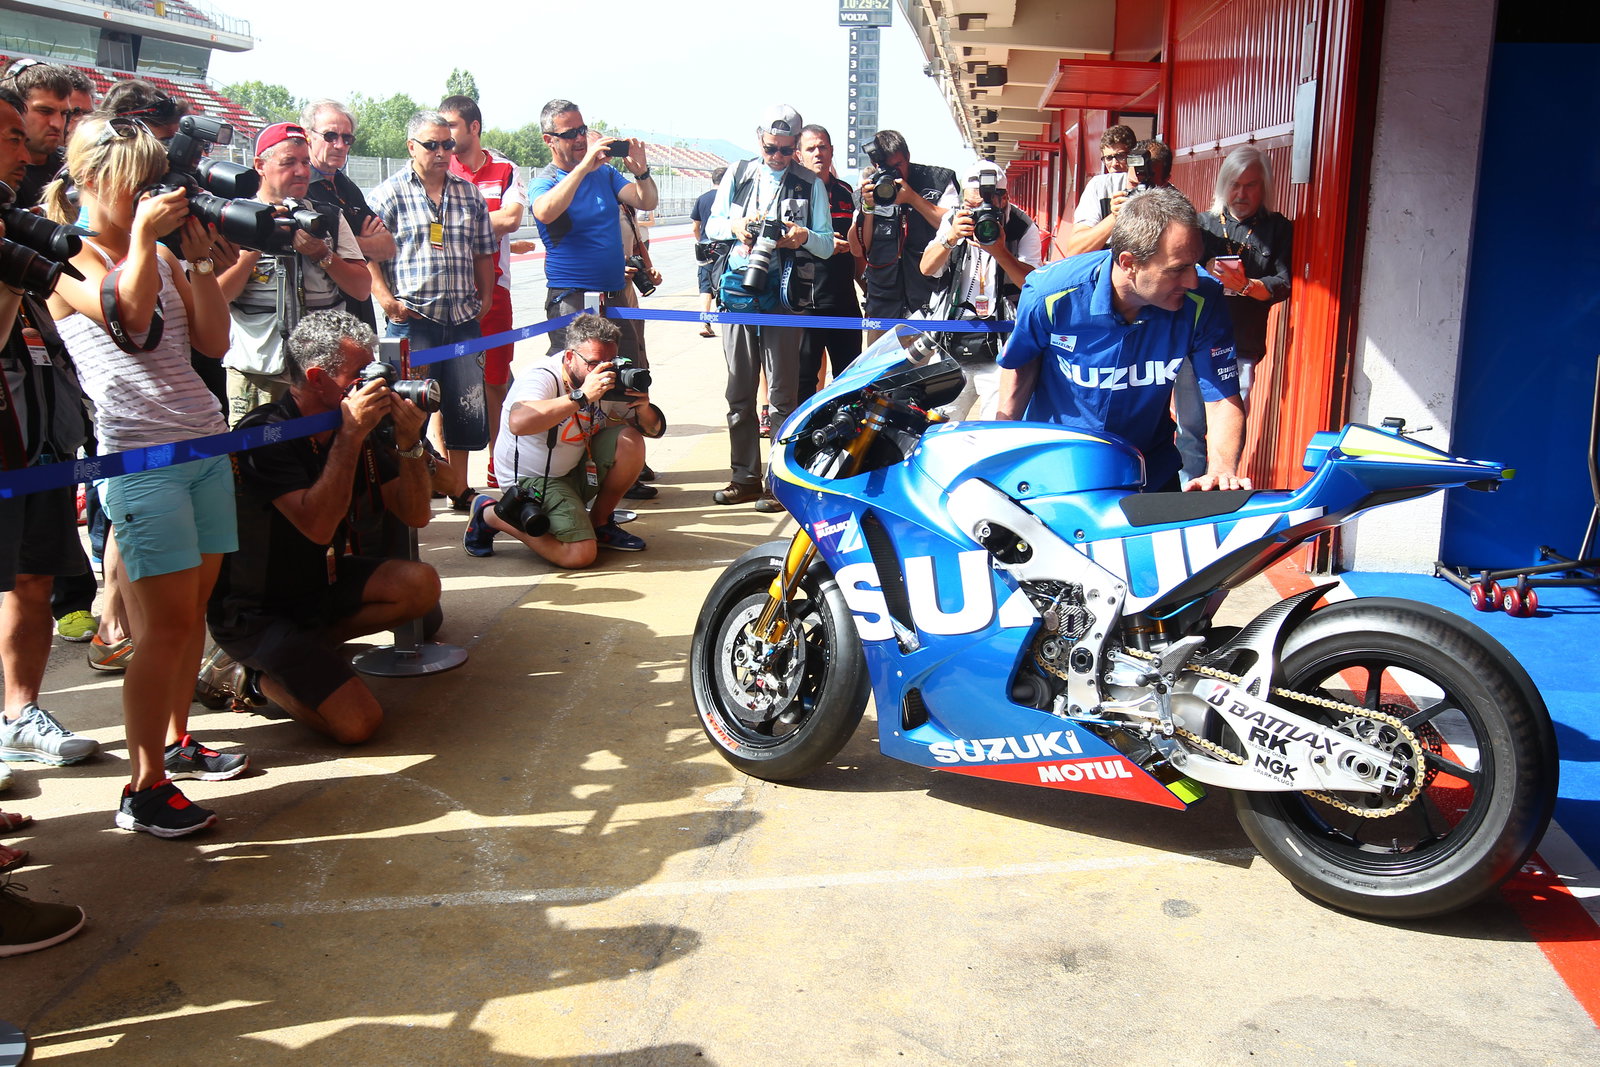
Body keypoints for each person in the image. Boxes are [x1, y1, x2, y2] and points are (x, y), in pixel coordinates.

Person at [43, 114, 247, 837]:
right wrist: (141, 241)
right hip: (140, 460)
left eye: (153, 183)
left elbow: (213, 341)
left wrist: (197, 261)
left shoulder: (155, 251)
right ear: (90, 179)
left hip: (202, 446)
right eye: (136, 183)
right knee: (161, 627)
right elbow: (128, 318)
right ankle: (143, 787)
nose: (148, 196)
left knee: (192, 615)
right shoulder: (65, 255)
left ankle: (177, 740)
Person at [203, 310, 439, 744]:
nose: (373, 384)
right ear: (317, 378)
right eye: (360, 374)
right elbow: (317, 526)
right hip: (258, 608)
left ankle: (306, 653)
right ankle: (248, 677)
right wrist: (350, 438)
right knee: (357, 724)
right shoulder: (266, 433)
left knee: (420, 586)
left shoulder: (354, 421)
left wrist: (409, 443)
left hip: (317, 585)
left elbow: (415, 514)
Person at [996, 187, 1249, 494]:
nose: (1192, 280)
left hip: (1148, 472)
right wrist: (1001, 452)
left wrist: (1221, 469)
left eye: (1194, 263)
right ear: (1129, 263)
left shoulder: (1202, 298)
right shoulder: (1050, 293)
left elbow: (1222, 397)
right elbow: (1020, 364)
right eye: (1178, 269)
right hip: (1057, 471)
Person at [0, 89, 99, 805]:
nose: (29, 144)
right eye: (12, 133)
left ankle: (20, 713)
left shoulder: (24, 214)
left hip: (36, 427)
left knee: (33, 575)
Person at [703, 104, 834, 511]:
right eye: (770, 148)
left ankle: (779, 483)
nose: (776, 156)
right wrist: (737, 226)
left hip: (784, 294)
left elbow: (827, 244)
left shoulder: (810, 184)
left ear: (796, 146)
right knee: (739, 392)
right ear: (759, 139)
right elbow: (712, 225)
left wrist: (801, 236)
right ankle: (743, 478)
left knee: (782, 396)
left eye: (785, 150)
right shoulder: (739, 174)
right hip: (738, 292)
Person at [366, 110, 496, 512]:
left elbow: (483, 251)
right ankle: (417, 485)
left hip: (462, 319)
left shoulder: (469, 194)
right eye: (431, 145)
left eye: (447, 144)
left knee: (465, 406)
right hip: (413, 321)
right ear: (411, 147)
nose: (441, 152)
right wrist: (385, 299)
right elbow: (367, 255)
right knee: (409, 410)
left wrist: (486, 297)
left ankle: (459, 487)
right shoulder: (387, 195)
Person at [464, 313, 662, 565]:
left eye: (610, 362)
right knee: (580, 555)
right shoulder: (541, 376)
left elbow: (653, 430)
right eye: (593, 363)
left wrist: (643, 408)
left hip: (575, 467)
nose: (602, 371)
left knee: (630, 440)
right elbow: (518, 422)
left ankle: (600, 523)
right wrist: (582, 396)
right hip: (533, 479)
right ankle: (491, 514)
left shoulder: (608, 377)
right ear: (569, 357)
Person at [216, 122, 369, 425]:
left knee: (327, 450)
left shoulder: (327, 217)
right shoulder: (232, 218)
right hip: (257, 373)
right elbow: (217, 297)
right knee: (256, 454)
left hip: (322, 374)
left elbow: (362, 288)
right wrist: (256, 244)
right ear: (260, 165)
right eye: (289, 162)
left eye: (305, 162)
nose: (301, 171)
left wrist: (323, 255)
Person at [1173, 146, 1294, 481]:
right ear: (1223, 185)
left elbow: (1283, 284)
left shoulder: (1277, 228)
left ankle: (1220, 491)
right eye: (1235, 185)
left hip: (1241, 342)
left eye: (1250, 185)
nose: (1241, 193)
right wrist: (1204, 267)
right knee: (1190, 428)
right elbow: (1175, 272)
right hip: (1194, 340)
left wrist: (1247, 286)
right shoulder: (1201, 225)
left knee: (1228, 428)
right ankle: (1187, 493)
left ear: (1264, 187)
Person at [529, 99, 656, 360]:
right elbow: (544, 211)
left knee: (629, 370)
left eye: (582, 130)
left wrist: (641, 172)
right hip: (572, 298)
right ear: (549, 140)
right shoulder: (546, 181)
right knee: (580, 374)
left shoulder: (605, 174)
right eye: (570, 134)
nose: (579, 138)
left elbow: (646, 201)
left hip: (613, 294)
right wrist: (584, 167)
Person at [441, 94, 524, 489]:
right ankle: (449, 473)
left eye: (451, 126)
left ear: (473, 127)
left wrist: (455, 222)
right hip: (446, 293)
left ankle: (497, 465)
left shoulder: (505, 170)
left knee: (494, 380)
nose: (443, 136)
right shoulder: (439, 165)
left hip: (494, 290)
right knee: (443, 382)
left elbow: (511, 219)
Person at [918, 160, 1043, 420]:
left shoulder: (1021, 225)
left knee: (998, 426)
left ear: (1003, 199)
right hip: (951, 339)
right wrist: (950, 238)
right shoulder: (954, 220)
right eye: (969, 205)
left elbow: (1033, 285)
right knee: (938, 424)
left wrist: (1000, 251)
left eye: (983, 205)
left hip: (1002, 344)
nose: (975, 213)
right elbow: (926, 268)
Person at [850, 129, 957, 337]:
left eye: (898, 165)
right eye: (886, 167)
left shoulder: (938, 180)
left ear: (907, 157)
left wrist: (913, 199)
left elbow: (952, 226)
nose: (894, 173)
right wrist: (867, 208)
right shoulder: (869, 190)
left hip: (931, 304)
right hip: (883, 306)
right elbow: (857, 248)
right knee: (880, 360)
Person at [302, 98, 397, 329]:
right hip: (320, 319)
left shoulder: (348, 188)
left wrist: (343, 245)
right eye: (330, 136)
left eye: (347, 138)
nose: (340, 145)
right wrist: (362, 244)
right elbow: (306, 246)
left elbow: (387, 247)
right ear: (308, 136)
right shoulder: (300, 188)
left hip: (358, 314)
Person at [794, 123, 862, 404]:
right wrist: (819, 243)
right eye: (810, 148)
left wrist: (866, 286)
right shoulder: (792, 191)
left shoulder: (847, 192)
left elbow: (860, 249)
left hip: (843, 299)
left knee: (850, 379)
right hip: (805, 303)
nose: (817, 153)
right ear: (799, 154)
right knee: (803, 378)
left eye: (822, 147)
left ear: (832, 151)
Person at [1060, 138, 1174, 257]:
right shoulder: (1101, 187)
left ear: (1165, 182)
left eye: (1147, 187)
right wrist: (1115, 217)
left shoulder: (1174, 203)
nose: (1139, 193)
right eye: (1133, 184)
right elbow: (1075, 251)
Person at [0, 59, 73, 207]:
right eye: (45, 111)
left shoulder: (74, 167)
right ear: (14, 108)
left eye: (64, 113)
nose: (57, 124)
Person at [690, 166, 727, 338]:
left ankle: (704, 322)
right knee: (726, 282)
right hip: (725, 247)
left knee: (705, 285)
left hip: (705, 247)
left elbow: (695, 227)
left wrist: (701, 241)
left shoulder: (702, 198)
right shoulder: (730, 197)